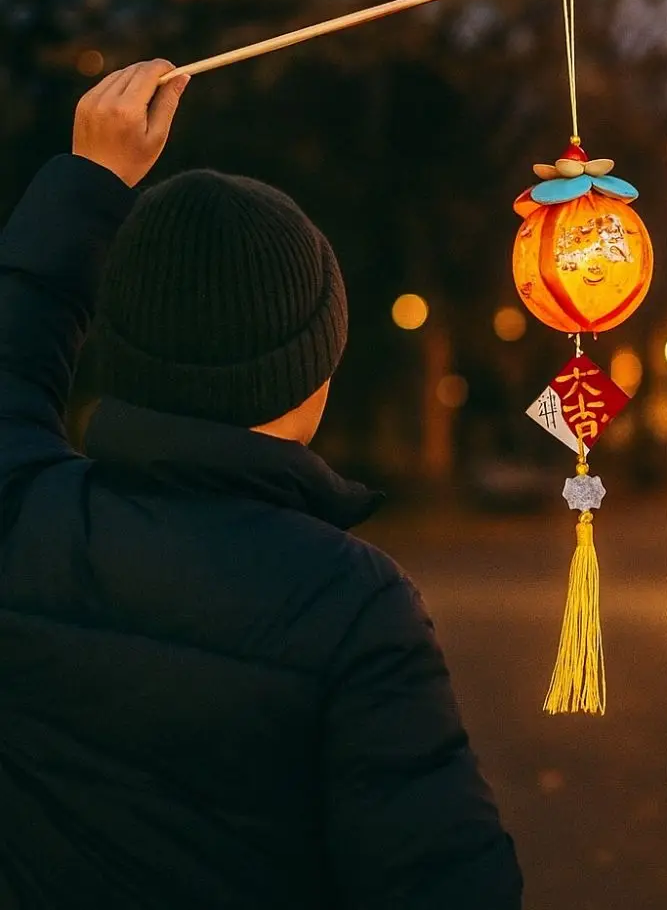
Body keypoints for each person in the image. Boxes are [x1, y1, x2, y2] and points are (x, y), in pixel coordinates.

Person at [0, 60, 522, 909]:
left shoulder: (24, 518)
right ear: (312, 375)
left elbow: (12, 354)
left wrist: (88, 179)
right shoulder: (350, 605)